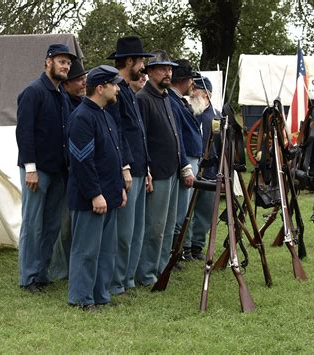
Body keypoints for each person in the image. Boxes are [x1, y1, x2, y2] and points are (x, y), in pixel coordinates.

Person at [16, 43, 76, 293]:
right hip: (37, 171)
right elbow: (24, 133)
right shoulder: (32, 91)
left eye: (68, 63)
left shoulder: (62, 95)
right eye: (62, 61)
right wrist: (30, 168)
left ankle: (41, 274)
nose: (66, 66)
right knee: (33, 225)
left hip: (58, 171)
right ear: (48, 62)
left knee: (51, 225)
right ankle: (28, 278)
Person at [67, 65, 127, 311]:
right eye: (114, 84)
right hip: (90, 199)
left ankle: (100, 296)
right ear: (100, 88)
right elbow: (82, 162)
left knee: (105, 251)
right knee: (86, 251)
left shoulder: (104, 113)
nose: (118, 89)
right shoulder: (82, 117)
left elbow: (112, 155)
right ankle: (82, 298)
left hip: (108, 195)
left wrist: (118, 189)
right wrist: (95, 194)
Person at [135, 50, 194, 286]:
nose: (168, 73)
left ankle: (161, 268)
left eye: (169, 69)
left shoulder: (166, 97)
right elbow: (142, 138)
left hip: (171, 170)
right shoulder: (143, 99)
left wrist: (183, 165)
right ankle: (147, 273)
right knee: (154, 227)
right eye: (162, 69)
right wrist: (147, 169)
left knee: (169, 226)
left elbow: (175, 135)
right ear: (149, 72)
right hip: (157, 171)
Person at [105, 36, 154, 296]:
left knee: (136, 230)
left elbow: (138, 133)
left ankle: (128, 279)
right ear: (129, 61)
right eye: (141, 60)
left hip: (138, 168)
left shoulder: (129, 91)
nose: (143, 65)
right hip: (126, 170)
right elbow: (118, 133)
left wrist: (145, 168)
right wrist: (124, 166)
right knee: (123, 233)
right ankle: (116, 281)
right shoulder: (117, 91)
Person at [49, 58, 89, 280]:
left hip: (77, 172)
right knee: (63, 226)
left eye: (84, 79)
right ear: (66, 84)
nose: (84, 83)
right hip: (63, 172)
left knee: (73, 226)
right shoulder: (62, 103)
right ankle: (58, 270)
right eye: (79, 80)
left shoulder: (82, 103)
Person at [169, 59, 202, 261]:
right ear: (185, 80)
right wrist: (185, 166)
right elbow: (178, 135)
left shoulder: (178, 100)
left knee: (183, 210)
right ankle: (176, 252)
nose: (193, 85)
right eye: (191, 80)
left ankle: (178, 251)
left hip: (190, 158)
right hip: (185, 159)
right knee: (179, 212)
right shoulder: (174, 102)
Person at [186, 76, 218, 260]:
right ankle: (186, 246)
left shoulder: (217, 116)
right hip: (192, 168)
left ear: (206, 94)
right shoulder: (189, 113)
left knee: (205, 211)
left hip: (211, 170)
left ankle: (197, 245)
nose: (192, 92)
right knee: (187, 210)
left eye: (196, 89)